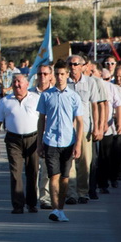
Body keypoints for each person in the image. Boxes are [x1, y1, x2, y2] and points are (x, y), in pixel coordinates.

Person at [36, 59, 83, 223]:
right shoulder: (46, 95)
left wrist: (78, 144)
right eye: (57, 74)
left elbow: (80, 122)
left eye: (63, 74)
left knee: (64, 178)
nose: (60, 77)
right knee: (53, 177)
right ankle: (55, 209)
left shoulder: (74, 97)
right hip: (50, 142)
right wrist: (39, 142)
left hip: (68, 142)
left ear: (67, 75)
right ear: (53, 76)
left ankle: (60, 209)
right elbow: (41, 120)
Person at [0, 74, 40, 213]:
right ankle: (18, 205)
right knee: (15, 172)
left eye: (19, 82)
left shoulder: (36, 99)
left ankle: (31, 203)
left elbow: (44, 120)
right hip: (13, 140)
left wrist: (43, 141)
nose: (16, 84)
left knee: (33, 171)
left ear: (26, 84)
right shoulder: (5, 101)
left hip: (33, 139)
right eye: (14, 82)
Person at [65, 54, 102, 204]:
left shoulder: (90, 82)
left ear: (82, 66)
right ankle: (71, 193)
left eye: (75, 64)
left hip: (85, 127)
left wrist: (98, 126)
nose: (72, 67)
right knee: (70, 162)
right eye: (70, 64)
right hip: (68, 129)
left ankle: (82, 192)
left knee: (85, 162)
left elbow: (95, 106)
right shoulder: (63, 83)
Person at [30, 64, 55, 208]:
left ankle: (45, 197)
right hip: (32, 135)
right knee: (33, 169)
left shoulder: (55, 93)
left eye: (45, 74)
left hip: (49, 136)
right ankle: (33, 197)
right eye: (40, 74)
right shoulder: (30, 94)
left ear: (51, 75)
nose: (42, 77)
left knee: (46, 169)